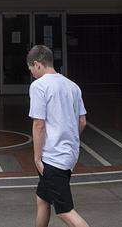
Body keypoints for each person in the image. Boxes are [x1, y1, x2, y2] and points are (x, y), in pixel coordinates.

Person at [27, 44, 90, 227]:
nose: (32, 73)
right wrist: (70, 141)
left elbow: (39, 124)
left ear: (37, 64)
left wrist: (37, 158)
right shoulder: (73, 86)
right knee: (42, 199)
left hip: (52, 157)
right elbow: (82, 121)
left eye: (31, 68)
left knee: (65, 211)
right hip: (68, 155)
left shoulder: (39, 86)